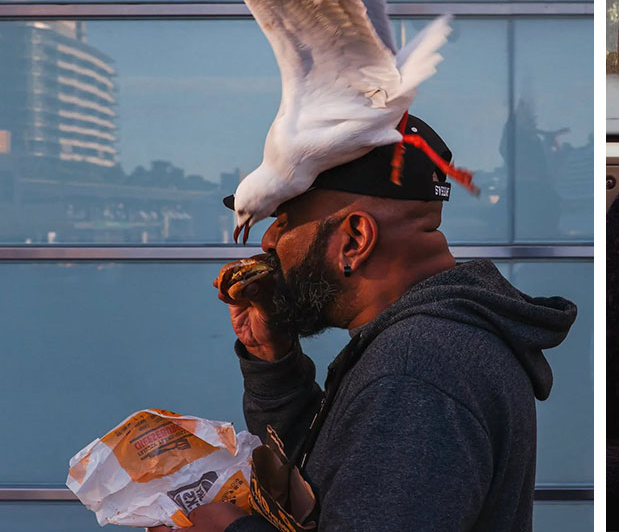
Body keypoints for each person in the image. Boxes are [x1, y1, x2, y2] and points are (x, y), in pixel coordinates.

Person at [155, 115, 577, 532]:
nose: (268, 241)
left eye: (284, 221)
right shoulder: (430, 342)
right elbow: (328, 479)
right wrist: (274, 360)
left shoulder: (417, 371)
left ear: (355, 239)